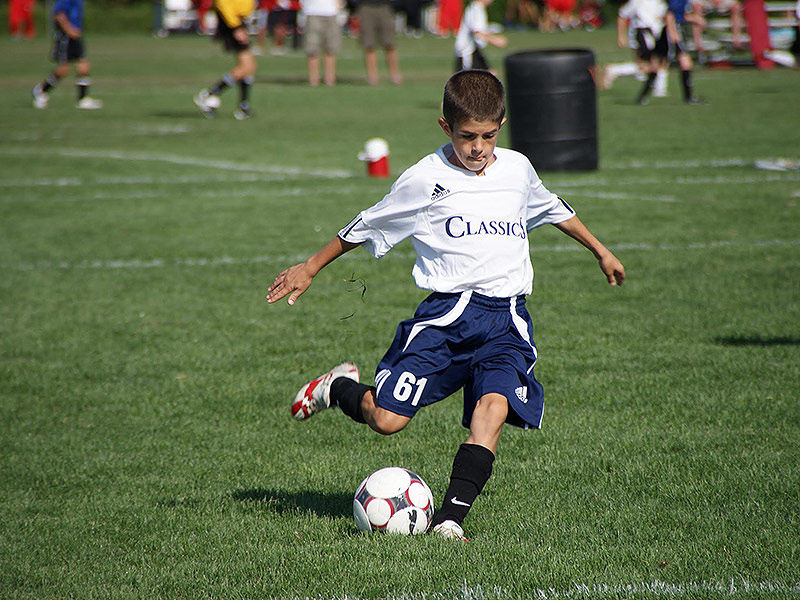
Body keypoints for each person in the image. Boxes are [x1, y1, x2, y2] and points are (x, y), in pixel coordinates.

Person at [267, 70, 626, 541]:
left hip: (507, 321)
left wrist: (599, 249)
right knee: (387, 421)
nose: (478, 147)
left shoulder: (517, 168)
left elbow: (553, 207)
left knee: (493, 409)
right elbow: (367, 223)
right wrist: (310, 267)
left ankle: (451, 520)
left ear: (502, 124)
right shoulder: (424, 179)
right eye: (467, 136)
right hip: (447, 320)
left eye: (489, 135)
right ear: (445, 127)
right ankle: (338, 389)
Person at [31, 0, 103, 110]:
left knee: (84, 66)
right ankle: (41, 90)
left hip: (76, 36)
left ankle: (82, 99)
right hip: (66, 36)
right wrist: (69, 30)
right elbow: (59, 14)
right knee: (63, 69)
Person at [194, 0, 256, 119]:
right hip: (232, 23)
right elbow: (224, 4)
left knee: (249, 67)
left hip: (238, 21)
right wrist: (236, 27)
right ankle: (209, 94)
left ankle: (243, 106)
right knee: (246, 67)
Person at [617, 0, 670, 104]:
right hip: (643, 33)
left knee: (661, 62)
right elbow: (622, 15)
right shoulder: (638, 1)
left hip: (657, 35)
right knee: (647, 65)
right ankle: (615, 71)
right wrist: (621, 36)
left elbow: (663, 17)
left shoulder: (661, 3)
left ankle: (660, 91)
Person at [355, 0, 402, 84]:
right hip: (366, 6)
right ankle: (372, 77)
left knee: (390, 44)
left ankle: (395, 75)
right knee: (369, 45)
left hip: (384, 6)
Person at [666, 0, 704, 102]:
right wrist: (673, 34)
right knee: (657, 64)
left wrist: (694, 19)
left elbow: (681, 16)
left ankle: (689, 97)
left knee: (685, 62)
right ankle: (688, 97)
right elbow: (669, 15)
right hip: (673, 31)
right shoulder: (676, 1)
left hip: (678, 30)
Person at [454, 0, 508, 73]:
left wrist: (492, 35)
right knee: (466, 81)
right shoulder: (476, 10)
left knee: (490, 75)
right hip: (467, 52)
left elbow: (481, 30)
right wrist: (496, 41)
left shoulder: (478, 9)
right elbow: (477, 33)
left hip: (475, 50)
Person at [302, 0, 343, 85]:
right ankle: (313, 80)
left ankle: (330, 80)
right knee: (312, 50)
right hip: (312, 12)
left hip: (331, 12)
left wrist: (339, 6)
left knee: (330, 49)